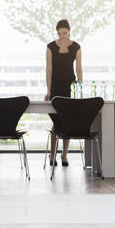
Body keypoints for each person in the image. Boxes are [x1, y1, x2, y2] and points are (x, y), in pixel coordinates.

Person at [45, 19, 83, 166]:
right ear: (57, 32)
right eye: (60, 33)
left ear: (69, 31)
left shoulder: (76, 47)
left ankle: (64, 155)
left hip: (70, 88)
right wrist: (48, 90)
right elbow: (48, 69)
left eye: (65, 33)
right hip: (55, 88)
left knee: (68, 122)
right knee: (56, 122)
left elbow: (79, 68)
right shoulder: (50, 47)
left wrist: (80, 89)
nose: (62, 36)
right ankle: (52, 154)